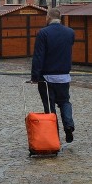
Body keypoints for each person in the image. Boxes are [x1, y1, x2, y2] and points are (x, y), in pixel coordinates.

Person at [30, 8, 76, 142]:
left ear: (48, 17)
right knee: (65, 102)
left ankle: (53, 133)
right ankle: (68, 125)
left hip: (47, 77)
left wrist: (35, 76)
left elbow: (38, 56)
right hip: (64, 76)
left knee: (49, 106)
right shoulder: (70, 32)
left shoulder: (43, 33)